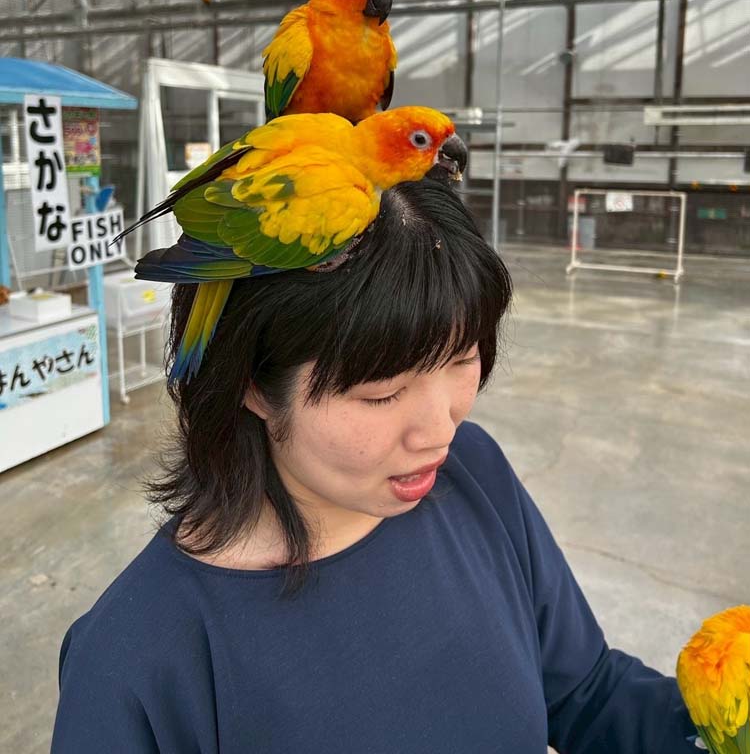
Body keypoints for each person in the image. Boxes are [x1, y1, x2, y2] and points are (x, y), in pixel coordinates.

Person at [51, 179, 699, 753]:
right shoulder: (136, 659)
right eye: (382, 393)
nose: (440, 431)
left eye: (462, 360)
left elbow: (589, 691)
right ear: (252, 384)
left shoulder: (475, 473)